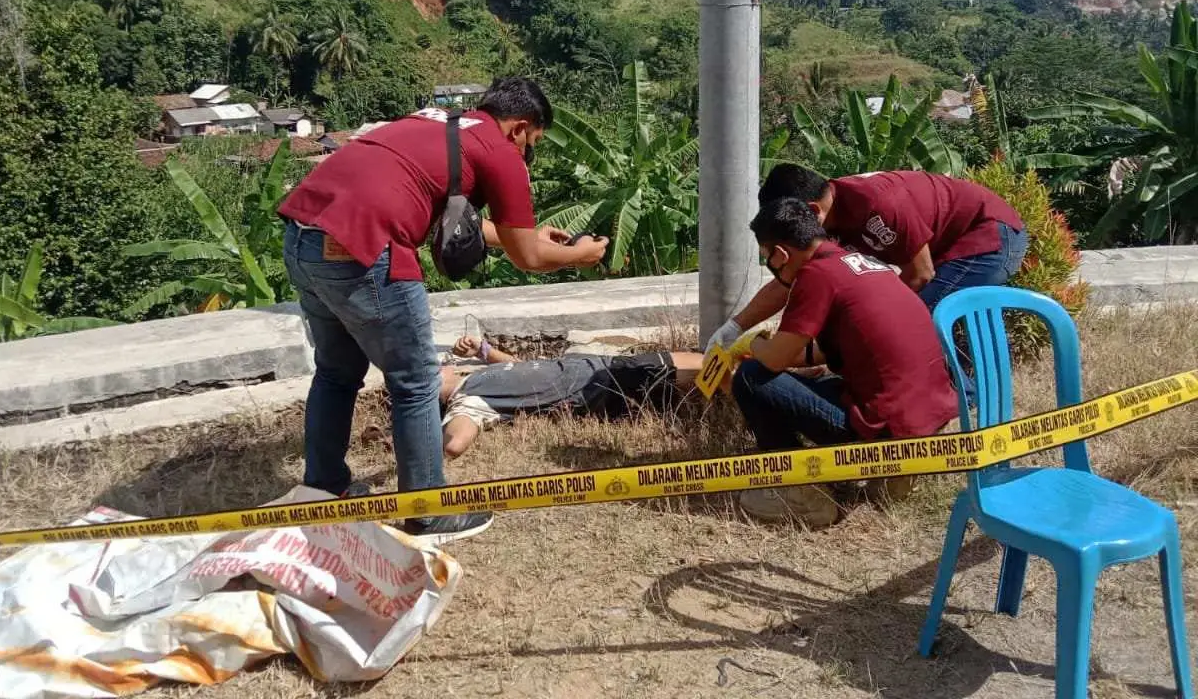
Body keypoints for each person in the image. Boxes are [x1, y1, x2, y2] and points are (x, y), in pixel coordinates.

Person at [279, 77, 608, 546]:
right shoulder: (500, 152)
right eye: (533, 141)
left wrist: (534, 235)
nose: (529, 152)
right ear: (520, 127)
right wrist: (582, 255)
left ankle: (325, 486)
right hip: (367, 249)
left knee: (335, 374)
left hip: (304, 238)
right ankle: (428, 513)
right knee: (416, 383)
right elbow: (527, 259)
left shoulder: (435, 121)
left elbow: (455, 214)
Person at [731, 198, 960, 528]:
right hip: (925, 419)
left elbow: (775, 359)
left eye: (769, 259)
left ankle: (800, 493)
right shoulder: (860, 264)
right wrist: (790, 361)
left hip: (885, 425)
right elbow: (839, 347)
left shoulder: (815, 275)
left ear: (781, 254)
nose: (772, 267)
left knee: (752, 376)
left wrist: (752, 344)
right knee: (819, 382)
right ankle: (898, 470)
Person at [708, 164, 1029, 354]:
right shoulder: (822, 223)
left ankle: (960, 402)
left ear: (811, 211)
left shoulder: (876, 204)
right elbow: (787, 281)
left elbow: (920, 275)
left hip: (989, 235)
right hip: (945, 248)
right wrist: (733, 328)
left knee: (923, 320)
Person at [437, 336, 705, 458]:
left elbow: (519, 367)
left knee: (709, 367)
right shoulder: (467, 401)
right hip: (600, 386)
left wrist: (483, 350)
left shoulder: (472, 377)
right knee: (710, 368)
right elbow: (455, 444)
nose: (437, 365)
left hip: (602, 365)